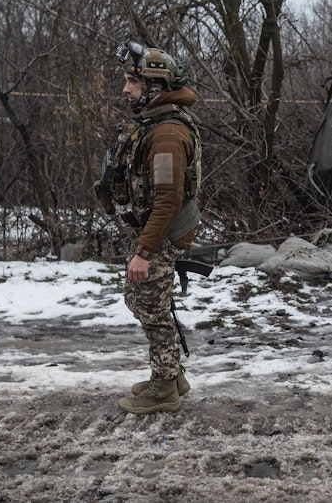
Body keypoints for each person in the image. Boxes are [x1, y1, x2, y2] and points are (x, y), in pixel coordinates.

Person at [95, 40, 203, 414]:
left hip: (164, 233)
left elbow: (168, 200)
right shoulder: (156, 125)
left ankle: (163, 389)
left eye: (133, 82)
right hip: (157, 231)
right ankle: (170, 374)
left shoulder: (168, 135)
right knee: (143, 300)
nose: (126, 89)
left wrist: (144, 252)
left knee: (151, 308)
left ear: (154, 88)